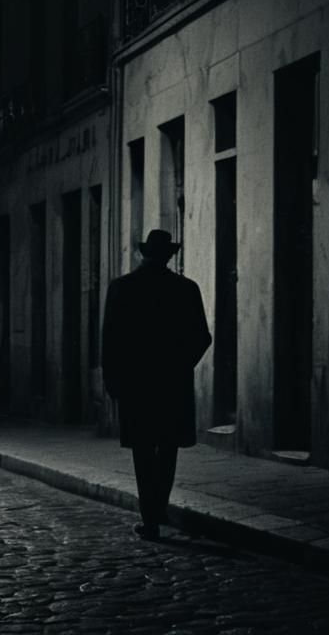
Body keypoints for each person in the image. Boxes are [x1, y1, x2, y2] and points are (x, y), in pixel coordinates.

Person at [101, 229, 211, 541]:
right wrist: (180, 364)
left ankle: (150, 518)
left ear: (144, 253)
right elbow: (202, 337)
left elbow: (110, 341)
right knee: (168, 448)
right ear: (168, 256)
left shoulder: (121, 288)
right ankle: (158, 508)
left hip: (135, 383)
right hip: (172, 383)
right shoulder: (186, 289)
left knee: (143, 450)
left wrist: (113, 380)